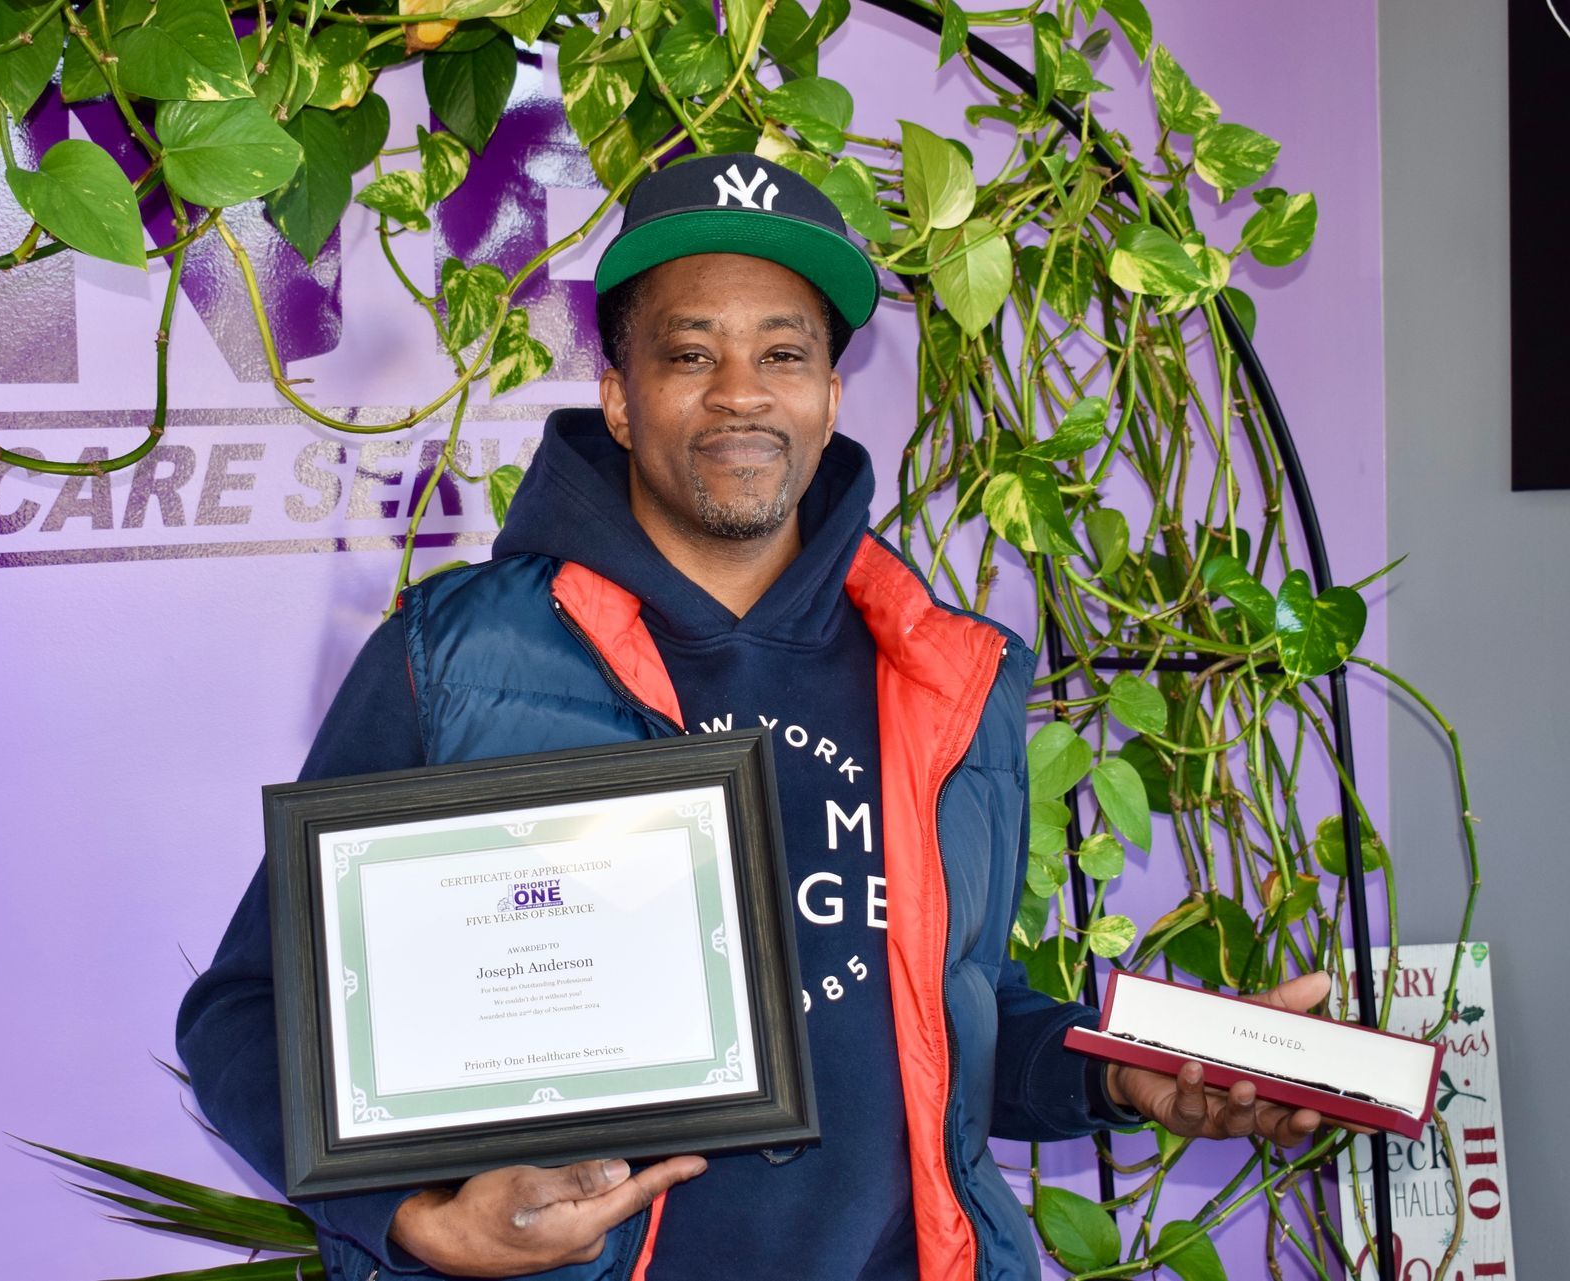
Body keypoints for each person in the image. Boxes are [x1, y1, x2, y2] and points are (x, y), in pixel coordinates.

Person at [176, 153, 1335, 1281]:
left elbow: (945, 1018)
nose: (742, 389)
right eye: (691, 353)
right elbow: (248, 1012)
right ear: (620, 400)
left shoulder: (947, 674)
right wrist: (414, 1215)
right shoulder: (456, 657)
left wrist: (1122, 1072)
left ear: (831, 395)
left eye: (784, 352)